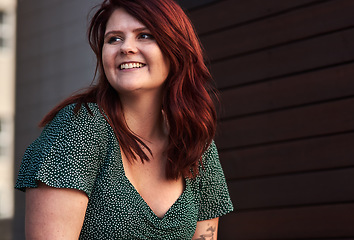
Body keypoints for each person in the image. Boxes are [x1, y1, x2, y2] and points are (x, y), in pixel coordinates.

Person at [15, 0, 233, 239]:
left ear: (176, 49)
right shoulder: (80, 127)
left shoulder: (197, 144)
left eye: (145, 35)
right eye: (114, 39)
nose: (126, 47)